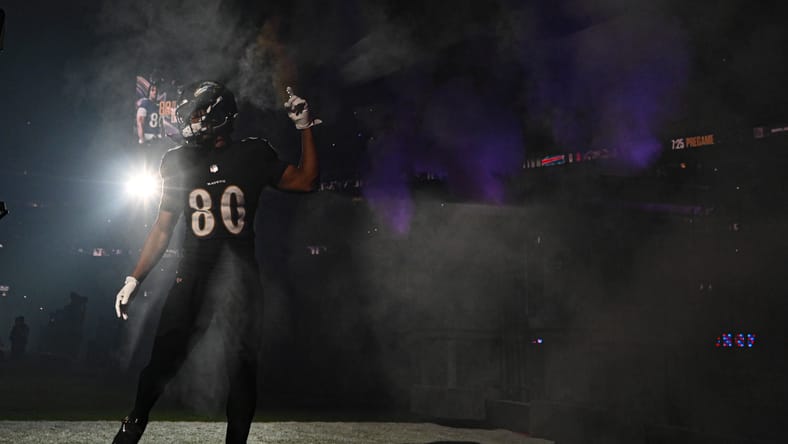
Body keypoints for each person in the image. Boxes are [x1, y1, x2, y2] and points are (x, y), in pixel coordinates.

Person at [112, 80, 320, 444]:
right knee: (163, 360)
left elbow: (305, 181)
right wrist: (134, 278)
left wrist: (304, 128)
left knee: (241, 369)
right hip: (191, 275)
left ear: (219, 115)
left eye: (197, 113)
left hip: (239, 278)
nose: (190, 121)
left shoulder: (253, 154)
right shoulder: (177, 161)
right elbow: (162, 228)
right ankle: (134, 423)